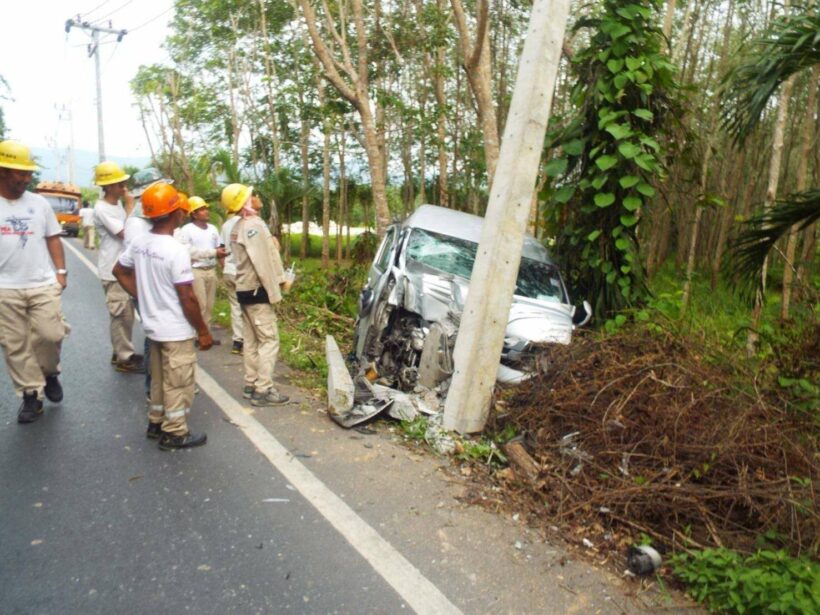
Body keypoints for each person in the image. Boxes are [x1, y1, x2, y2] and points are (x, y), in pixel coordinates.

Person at [114, 182, 212, 450]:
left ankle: (155, 422)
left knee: (158, 379)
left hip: (153, 327)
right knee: (178, 382)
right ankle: (175, 432)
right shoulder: (174, 249)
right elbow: (187, 297)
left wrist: (142, 297)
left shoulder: (140, 242)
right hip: (176, 330)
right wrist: (203, 330)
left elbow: (119, 271)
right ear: (175, 214)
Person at [0, 140, 70, 423]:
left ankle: (49, 372)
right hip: (5, 288)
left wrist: (61, 273)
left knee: (50, 334)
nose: (28, 178)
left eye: (29, 173)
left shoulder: (39, 204)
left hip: (42, 283)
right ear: (3, 171)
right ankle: (31, 395)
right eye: (21, 173)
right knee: (14, 345)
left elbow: (53, 238)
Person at [221, 183, 289, 407]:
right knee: (269, 340)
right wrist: (278, 284)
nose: (257, 197)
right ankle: (263, 389)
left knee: (251, 341)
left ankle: (251, 383)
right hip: (257, 290)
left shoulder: (237, 226)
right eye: (253, 195)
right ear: (246, 201)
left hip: (244, 289)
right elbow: (263, 262)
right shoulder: (253, 225)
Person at [93, 161, 144, 374]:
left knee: (127, 314)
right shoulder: (102, 208)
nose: (124, 187)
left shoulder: (116, 205)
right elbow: (125, 233)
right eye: (119, 184)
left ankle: (121, 351)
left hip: (123, 266)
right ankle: (124, 357)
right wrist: (131, 206)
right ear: (109, 186)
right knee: (120, 313)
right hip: (112, 269)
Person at [175, 196, 221, 333]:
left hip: (211, 270)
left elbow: (219, 248)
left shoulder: (213, 229)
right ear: (194, 214)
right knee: (200, 304)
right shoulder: (186, 230)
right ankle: (197, 333)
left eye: (206, 209)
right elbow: (187, 252)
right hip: (196, 270)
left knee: (210, 305)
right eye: (201, 210)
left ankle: (206, 332)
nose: (206, 212)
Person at [220, 207, 244, 355]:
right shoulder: (247, 222)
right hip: (244, 272)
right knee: (248, 308)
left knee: (235, 307)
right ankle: (249, 342)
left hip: (229, 270)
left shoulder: (226, 225)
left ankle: (237, 342)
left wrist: (226, 266)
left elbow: (221, 249)